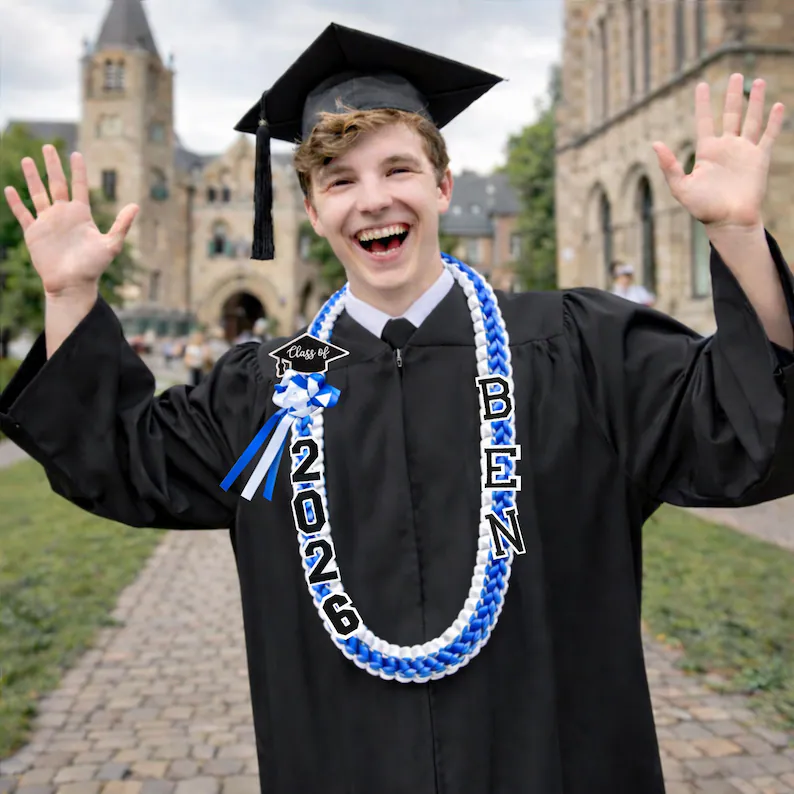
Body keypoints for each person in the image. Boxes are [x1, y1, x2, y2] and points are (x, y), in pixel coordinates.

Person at [2, 22, 794, 794]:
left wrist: (738, 234)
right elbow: (119, 455)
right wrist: (71, 293)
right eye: (339, 180)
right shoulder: (263, 392)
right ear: (311, 210)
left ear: (443, 185)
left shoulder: (578, 349)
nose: (373, 201)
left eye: (399, 170)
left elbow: (743, 425)